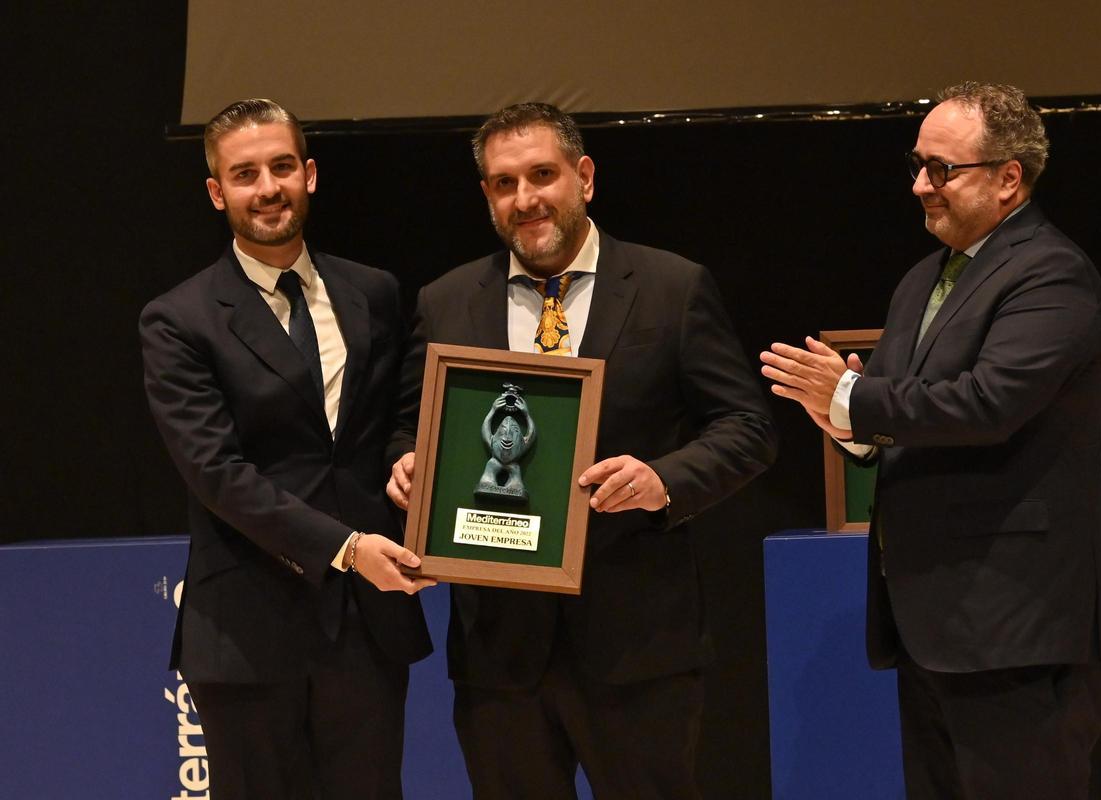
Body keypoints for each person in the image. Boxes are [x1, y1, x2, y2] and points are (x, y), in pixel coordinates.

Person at [387, 102, 776, 799]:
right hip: (498, 652)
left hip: (637, 644)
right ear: (487, 195)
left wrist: (662, 479)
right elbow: (411, 427)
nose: (525, 198)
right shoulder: (446, 300)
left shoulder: (672, 287)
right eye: (504, 183)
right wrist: (407, 465)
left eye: (542, 175)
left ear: (585, 177)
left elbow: (748, 427)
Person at [761, 81, 1101, 799]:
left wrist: (851, 398)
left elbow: (989, 404)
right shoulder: (923, 279)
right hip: (931, 623)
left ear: (1008, 178)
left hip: (1013, 625)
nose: (921, 185)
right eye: (918, 165)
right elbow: (902, 411)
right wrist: (845, 425)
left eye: (942, 169)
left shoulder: (1052, 273)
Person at [140, 98, 434, 799]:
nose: (267, 187)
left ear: (310, 174)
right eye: (245, 174)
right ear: (217, 192)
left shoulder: (373, 292)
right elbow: (216, 472)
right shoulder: (178, 319)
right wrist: (347, 548)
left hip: (367, 625)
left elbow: (395, 418)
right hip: (248, 626)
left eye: (281, 167)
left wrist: (405, 455)